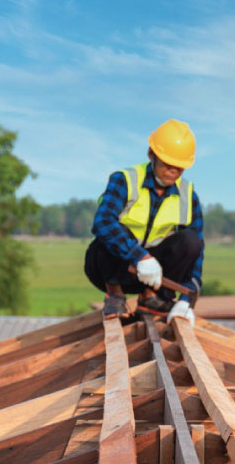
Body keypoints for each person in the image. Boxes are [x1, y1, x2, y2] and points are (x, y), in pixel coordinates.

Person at [85, 119, 203, 325]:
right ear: (151, 154)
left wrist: (186, 300)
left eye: (179, 167)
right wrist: (140, 257)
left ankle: (152, 299)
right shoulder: (125, 180)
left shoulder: (188, 195)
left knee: (191, 241)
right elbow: (102, 222)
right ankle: (115, 296)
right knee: (111, 232)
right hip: (115, 269)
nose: (173, 171)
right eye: (167, 163)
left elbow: (196, 254)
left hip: (156, 279)